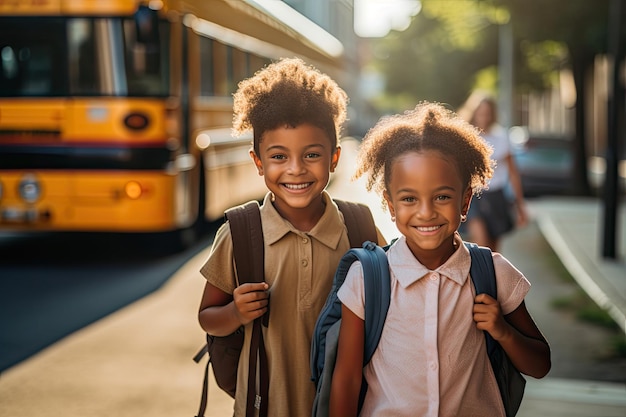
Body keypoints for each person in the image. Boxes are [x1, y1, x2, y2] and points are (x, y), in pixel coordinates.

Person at [329, 102, 551, 417]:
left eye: (442, 197)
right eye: (409, 199)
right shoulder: (367, 278)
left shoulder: (493, 273)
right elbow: (347, 378)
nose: (426, 212)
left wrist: (502, 330)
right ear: (390, 207)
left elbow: (540, 364)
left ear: (464, 202)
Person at [197, 57, 385, 417]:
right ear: (258, 162)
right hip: (263, 406)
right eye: (279, 156)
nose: (296, 169)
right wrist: (236, 311)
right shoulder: (240, 233)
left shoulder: (359, 228)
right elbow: (208, 317)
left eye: (311, 155)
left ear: (334, 158)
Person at [457, 91, 528, 252]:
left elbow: (513, 172)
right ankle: (478, 276)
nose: (484, 117)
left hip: (496, 195)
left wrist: (520, 205)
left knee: (494, 251)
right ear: (474, 113)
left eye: (487, 113)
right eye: (481, 113)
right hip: (474, 196)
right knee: (481, 243)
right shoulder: (467, 137)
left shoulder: (501, 137)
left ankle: (491, 277)